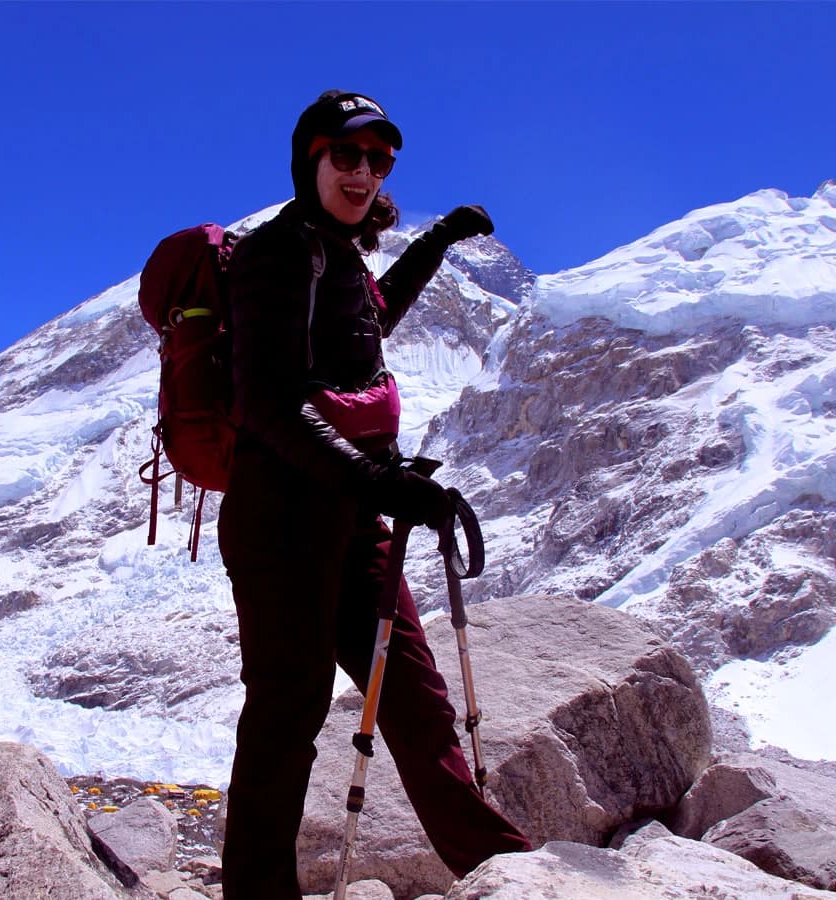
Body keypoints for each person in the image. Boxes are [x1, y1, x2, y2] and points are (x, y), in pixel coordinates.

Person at [218, 89, 532, 898]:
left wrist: (439, 240)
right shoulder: (274, 255)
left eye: (380, 158)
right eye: (347, 155)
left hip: (355, 518)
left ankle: (507, 874)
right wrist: (382, 481)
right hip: (281, 521)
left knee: (419, 705)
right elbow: (270, 403)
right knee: (287, 719)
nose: (365, 171)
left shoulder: (340, 256)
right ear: (311, 159)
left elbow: (375, 314)